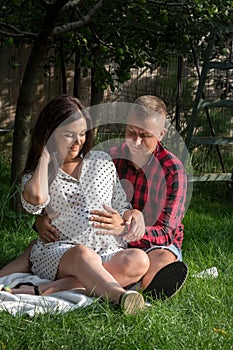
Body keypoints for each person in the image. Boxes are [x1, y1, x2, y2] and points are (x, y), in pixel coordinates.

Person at [0, 95, 188, 300]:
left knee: (142, 260)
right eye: (131, 132)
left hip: (142, 243)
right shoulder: (112, 156)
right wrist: (46, 155)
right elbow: (36, 200)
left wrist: (131, 219)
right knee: (84, 255)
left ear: (161, 134)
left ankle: (48, 289)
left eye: (145, 135)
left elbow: (161, 228)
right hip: (69, 250)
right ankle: (120, 296)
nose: (136, 141)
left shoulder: (167, 169)